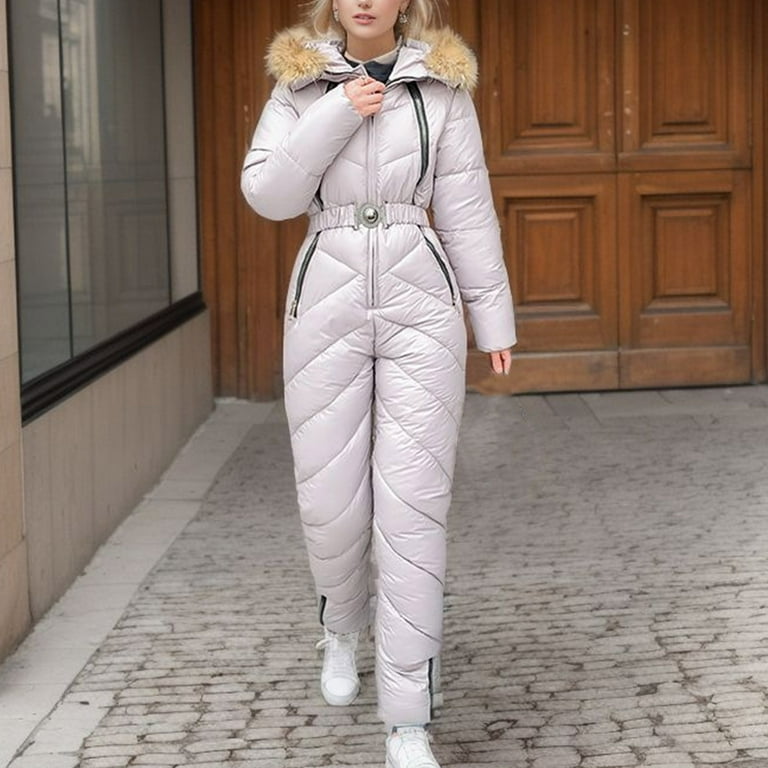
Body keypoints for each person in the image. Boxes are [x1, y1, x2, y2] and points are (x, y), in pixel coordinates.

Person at [240, 1, 516, 765]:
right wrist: (335, 113)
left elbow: (467, 207)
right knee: (331, 505)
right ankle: (340, 625)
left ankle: (408, 720)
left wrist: (492, 317)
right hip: (324, 301)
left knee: (412, 509)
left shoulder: (442, 88)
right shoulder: (299, 84)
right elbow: (268, 195)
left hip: (421, 303)